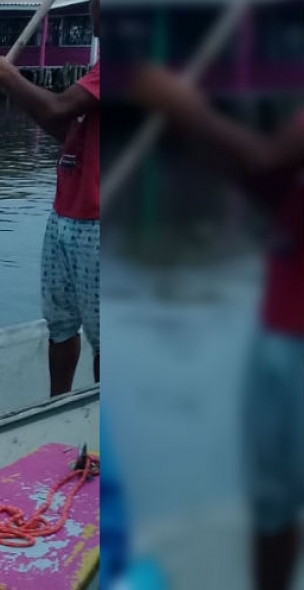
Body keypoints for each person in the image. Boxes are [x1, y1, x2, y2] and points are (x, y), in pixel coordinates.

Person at [131, 66, 303, 590]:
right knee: (271, 502)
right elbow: (272, 183)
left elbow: (266, 159)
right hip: (280, 322)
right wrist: (188, 128)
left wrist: (191, 111)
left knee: (274, 499)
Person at [0, 0, 100, 397]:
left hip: (99, 223)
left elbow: (59, 108)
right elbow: (67, 131)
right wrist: (13, 87)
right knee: (60, 324)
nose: (95, 5)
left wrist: (6, 74)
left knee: (107, 336)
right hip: (65, 215)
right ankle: (56, 409)